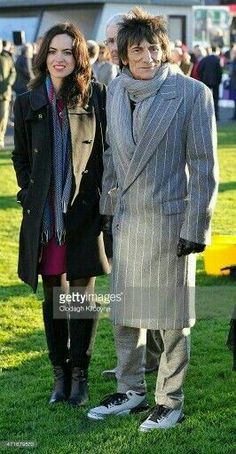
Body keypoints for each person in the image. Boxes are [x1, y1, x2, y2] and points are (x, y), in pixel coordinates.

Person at [88, 7, 219, 431]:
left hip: (171, 226)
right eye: (137, 49)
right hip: (127, 223)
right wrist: (108, 213)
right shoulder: (113, 90)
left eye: (153, 47)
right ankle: (130, 389)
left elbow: (204, 167)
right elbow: (110, 156)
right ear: (122, 56)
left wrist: (196, 227)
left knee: (171, 321)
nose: (147, 56)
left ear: (165, 49)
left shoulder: (192, 94)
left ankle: (170, 400)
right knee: (125, 315)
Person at [12, 22, 110, 406]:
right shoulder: (28, 101)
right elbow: (21, 156)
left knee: (83, 296)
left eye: (67, 51)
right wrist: (29, 191)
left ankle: (81, 376)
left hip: (83, 213)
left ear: (79, 56)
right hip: (46, 219)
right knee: (55, 293)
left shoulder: (95, 96)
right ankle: (60, 374)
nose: (59, 58)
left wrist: (102, 204)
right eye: (53, 51)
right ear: (43, 56)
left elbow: (104, 152)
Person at [101, 12, 162, 380]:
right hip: (123, 210)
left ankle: (153, 361)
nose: (111, 49)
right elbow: (111, 151)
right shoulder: (112, 85)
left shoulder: (165, 85)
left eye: (115, 41)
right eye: (109, 42)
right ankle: (133, 365)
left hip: (159, 208)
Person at [198, 46, 222, 121]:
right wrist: (219, 80)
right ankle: (216, 115)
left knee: (206, 99)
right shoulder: (217, 59)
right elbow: (220, 71)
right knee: (215, 99)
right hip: (215, 82)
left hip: (206, 81)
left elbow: (200, 70)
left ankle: (206, 115)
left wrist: (202, 79)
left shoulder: (204, 59)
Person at [0, 38, 16, 149]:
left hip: (4, 94)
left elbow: (13, 73)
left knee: (3, 117)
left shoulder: (7, 58)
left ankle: (0, 139)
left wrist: (8, 83)